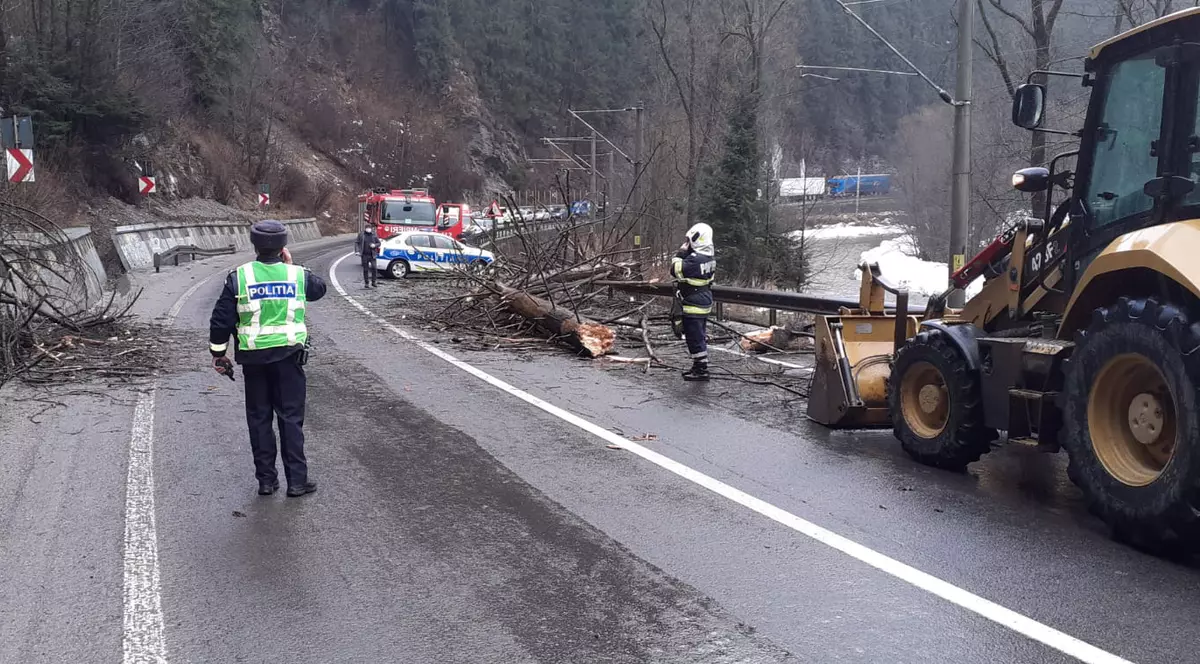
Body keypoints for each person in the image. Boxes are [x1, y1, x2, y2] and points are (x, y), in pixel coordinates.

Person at [209, 221, 328, 497]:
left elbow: (221, 319)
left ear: (254, 245)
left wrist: (218, 353)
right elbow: (319, 289)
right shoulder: (297, 275)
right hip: (289, 358)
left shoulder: (239, 277)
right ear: (283, 247)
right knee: (290, 419)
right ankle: (297, 481)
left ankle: (266, 481)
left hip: (254, 361)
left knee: (259, 419)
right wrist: (292, 264)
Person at [671, 223, 716, 381]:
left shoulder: (694, 260)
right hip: (703, 301)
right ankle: (698, 366)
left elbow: (675, 269)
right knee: (699, 335)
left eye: (689, 241)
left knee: (694, 337)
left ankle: (701, 369)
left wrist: (680, 253)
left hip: (694, 304)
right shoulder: (709, 258)